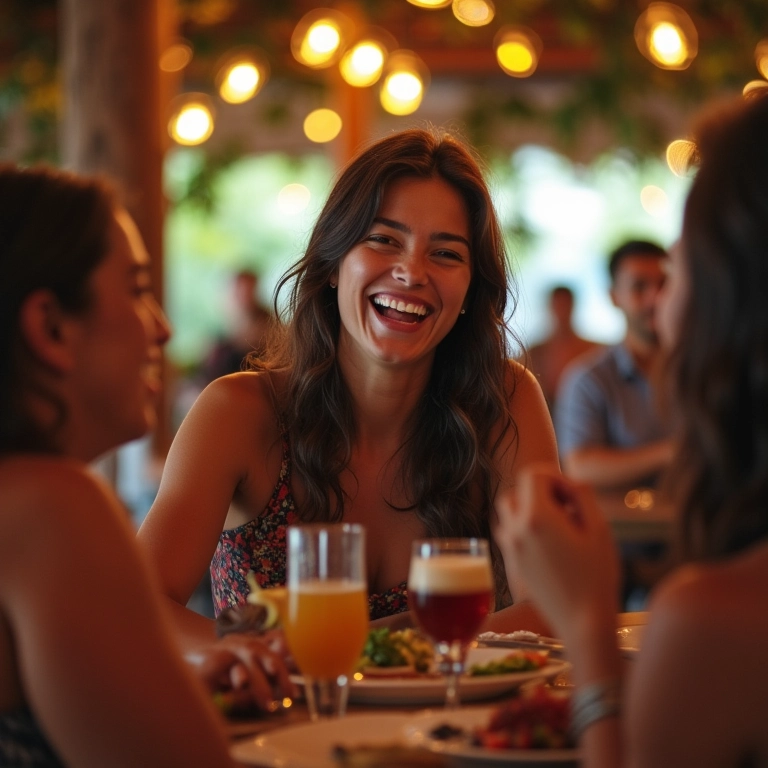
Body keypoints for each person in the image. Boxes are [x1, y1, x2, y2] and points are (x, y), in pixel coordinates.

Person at [138, 127, 559, 642]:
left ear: (471, 289)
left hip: (447, 701)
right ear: (334, 263)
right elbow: (137, 606)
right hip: (274, 701)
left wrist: (363, 647)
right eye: (384, 240)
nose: (411, 272)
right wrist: (258, 659)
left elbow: (552, 608)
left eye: (446, 254)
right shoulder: (238, 411)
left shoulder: (503, 400)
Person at [497, 92, 768, 767]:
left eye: (678, 268)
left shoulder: (716, 621)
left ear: (730, 306)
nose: (660, 305)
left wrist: (585, 620)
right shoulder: (590, 376)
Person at [0, 165, 292, 768]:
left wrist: (169, 693)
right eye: (136, 290)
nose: (163, 328)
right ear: (50, 327)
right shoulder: (51, 505)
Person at [555, 240, 675, 492]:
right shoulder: (589, 379)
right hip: (623, 518)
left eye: (664, 284)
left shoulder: (700, 369)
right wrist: (670, 453)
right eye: (639, 286)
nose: (655, 298)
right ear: (614, 297)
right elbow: (579, 467)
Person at [526, 285, 603, 411]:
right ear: (550, 308)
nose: (562, 312)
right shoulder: (534, 353)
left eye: (565, 306)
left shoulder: (593, 350)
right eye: (558, 306)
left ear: (572, 307)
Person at [200, 268, 273, 382]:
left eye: (248, 289)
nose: (244, 294)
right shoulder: (227, 322)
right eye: (240, 289)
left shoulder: (267, 322)